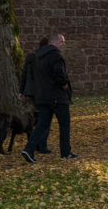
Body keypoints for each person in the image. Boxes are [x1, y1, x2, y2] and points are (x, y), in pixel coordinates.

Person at [22, 34, 80, 162]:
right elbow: (59, 73)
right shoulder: (55, 55)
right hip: (57, 96)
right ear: (52, 42)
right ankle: (66, 153)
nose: (64, 44)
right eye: (61, 42)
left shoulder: (37, 56)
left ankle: (29, 149)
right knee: (64, 124)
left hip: (42, 97)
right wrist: (64, 85)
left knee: (42, 124)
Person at [18, 37, 51, 155]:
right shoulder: (46, 57)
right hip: (41, 91)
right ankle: (40, 145)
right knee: (45, 119)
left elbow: (25, 74)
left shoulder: (31, 57)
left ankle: (38, 144)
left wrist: (22, 91)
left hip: (31, 91)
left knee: (43, 118)